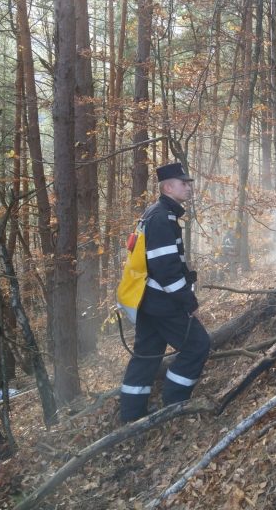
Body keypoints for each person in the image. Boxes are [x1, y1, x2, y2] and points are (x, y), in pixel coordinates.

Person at [119, 163, 211, 422]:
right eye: (183, 183)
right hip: (161, 301)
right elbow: (165, 269)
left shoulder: (159, 214)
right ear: (168, 187)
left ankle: (130, 417)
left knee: (146, 356)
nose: (189, 187)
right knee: (197, 345)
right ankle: (174, 403)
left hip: (148, 300)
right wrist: (187, 301)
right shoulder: (161, 218)